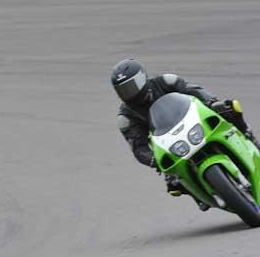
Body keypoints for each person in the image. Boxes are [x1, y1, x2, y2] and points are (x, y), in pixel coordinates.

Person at [111, 58, 259, 211]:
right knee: (174, 185)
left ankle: (249, 136)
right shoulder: (126, 117)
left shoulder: (166, 82)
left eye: (131, 86)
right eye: (123, 90)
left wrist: (211, 103)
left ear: (142, 78)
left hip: (192, 121)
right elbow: (138, 147)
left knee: (230, 108)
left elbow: (194, 90)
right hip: (167, 142)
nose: (129, 92)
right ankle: (199, 194)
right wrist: (154, 160)